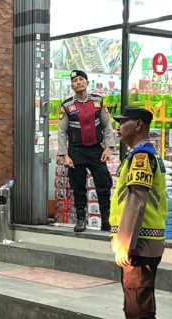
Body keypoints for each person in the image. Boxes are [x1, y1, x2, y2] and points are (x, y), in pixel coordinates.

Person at [108, 106, 168, 319]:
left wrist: (124, 243)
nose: (118, 127)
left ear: (139, 125)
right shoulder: (137, 155)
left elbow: (136, 201)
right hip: (139, 241)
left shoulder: (142, 156)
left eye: (123, 122)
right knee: (133, 305)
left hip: (140, 244)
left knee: (139, 307)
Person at [57, 69, 117, 233]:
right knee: (78, 187)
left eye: (81, 79)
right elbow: (61, 132)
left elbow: (107, 126)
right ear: (72, 85)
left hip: (96, 150)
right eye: (75, 81)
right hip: (76, 151)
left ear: (87, 83)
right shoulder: (67, 106)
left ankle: (106, 219)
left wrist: (107, 147)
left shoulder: (98, 101)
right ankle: (81, 219)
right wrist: (65, 155)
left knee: (103, 184)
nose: (78, 82)